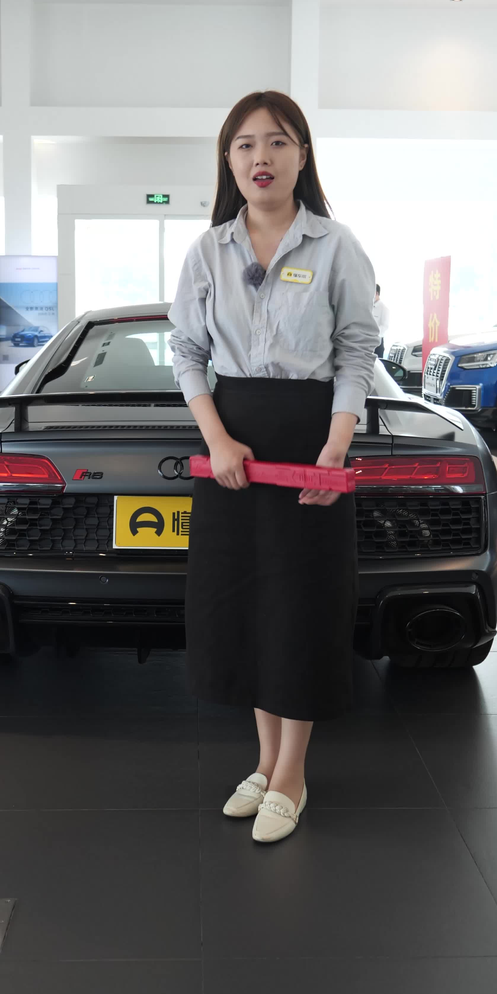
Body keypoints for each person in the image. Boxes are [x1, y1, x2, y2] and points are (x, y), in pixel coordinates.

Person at [168, 90, 379, 844]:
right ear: (229, 161)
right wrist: (218, 440)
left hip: (310, 438)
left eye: (279, 142)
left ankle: (292, 773)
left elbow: (357, 350)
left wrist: (336, 443)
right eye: (246, 144)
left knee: (301, 607)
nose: (262, 157)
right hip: (233, 442)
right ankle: (264, 761)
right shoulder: (208, 251)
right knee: (249, 608)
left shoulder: (335, 246)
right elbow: (186, 351)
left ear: (302, 155)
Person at [373, 283, 390, 358]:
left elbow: (384, 326)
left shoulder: (384, 308)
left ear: (377, 293)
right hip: (367, 342)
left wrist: (372, 332)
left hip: (378, 344)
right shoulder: (369, 307)